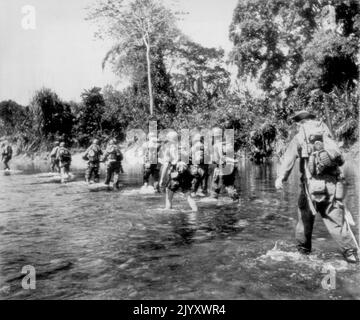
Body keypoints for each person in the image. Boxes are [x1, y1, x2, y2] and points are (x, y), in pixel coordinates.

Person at [275, 110, 359, 263]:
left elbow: (288, 159)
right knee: (337, 223)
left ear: (301, 122)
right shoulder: (326, 132)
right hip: (332, 188)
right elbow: (339, 158)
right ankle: (351, 255)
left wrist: (281, 178)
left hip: (310, 189)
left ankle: (303, 254)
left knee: (304, 222)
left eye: (297, 123)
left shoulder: (300, 136)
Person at [159, 132, 198, 212]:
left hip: (175, 174)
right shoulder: (184, 147)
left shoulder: (169, 149)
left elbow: (166, 165)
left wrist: (162, 179)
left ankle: (168, 211)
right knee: (188, 195)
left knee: (169, 196)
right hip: (186, 174)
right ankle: (195, 211)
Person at [210, 133, 239, 201]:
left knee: (215, 185)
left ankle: (214, 199)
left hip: (221, 168)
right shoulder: (230, 145)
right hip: (231, 168)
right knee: (229, 185)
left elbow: (218, 159)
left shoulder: (217, 146)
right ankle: (235, 198)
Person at [189, 133, 209, 197]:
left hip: (196, 167)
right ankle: (204, 193)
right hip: (204, 167)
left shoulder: (193, 147)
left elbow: (189, 156)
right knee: (203, 182)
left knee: (195, 181)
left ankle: (193, 193)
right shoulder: (205, 146)